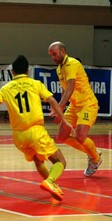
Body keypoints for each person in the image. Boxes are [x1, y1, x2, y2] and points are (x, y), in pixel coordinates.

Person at [0, 55, 75, 201]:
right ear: (27, 71)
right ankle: (50, 181)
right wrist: (65, 120)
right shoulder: (35, 84)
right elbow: (52, 101)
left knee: (38, 161)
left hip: (19, 137)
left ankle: (51, 185)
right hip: (36, 131)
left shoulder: (5, 88)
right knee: (60, 161)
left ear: (12, 72)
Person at [48, 41, 102, 177]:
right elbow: (64, 90)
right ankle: (93, 152)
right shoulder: (59, 69)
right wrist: (61, 110)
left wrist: (59, 108)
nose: (53, 57)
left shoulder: (72, 63)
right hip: (74, 105)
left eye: (54, 54)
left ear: (63, 51)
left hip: (87, 104)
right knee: (62, 136)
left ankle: (95, 159)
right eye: (51, 55)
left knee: (80, 136)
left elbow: (71, 88)